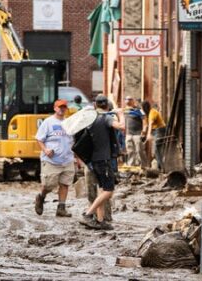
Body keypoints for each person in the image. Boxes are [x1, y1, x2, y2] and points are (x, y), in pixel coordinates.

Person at [82, 95, 123, 230]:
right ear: (107, 106)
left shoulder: (91, 119)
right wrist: (120, 114)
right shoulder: (106, 118)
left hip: (94, 160)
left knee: (101, 189)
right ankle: (88, 215)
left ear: (96, 105)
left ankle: (100, 220)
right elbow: (121, 127)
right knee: (108, 191)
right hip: (103, 160)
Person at [33, 99, 76, 217]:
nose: (62, 109)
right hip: (51, 160)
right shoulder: (48, 122)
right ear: (55, 108)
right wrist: (46, 150)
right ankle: (41, 197)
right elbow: (39, 139)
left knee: (65, 184)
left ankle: (61, 208)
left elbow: (73, 140)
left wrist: (75, 157)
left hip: (67, 159)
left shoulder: (69, 123)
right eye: (59, 107)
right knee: (48, 185)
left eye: (64, 107)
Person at [142, 100, 166, 168]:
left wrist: (149, 134)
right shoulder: (148, 114)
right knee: (156, 149)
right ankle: (160, 166)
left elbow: (150, 124)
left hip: (160, 130)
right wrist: (143, 133)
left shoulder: (152, 112)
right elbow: (146, 125)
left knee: (156, 148)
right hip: (155, 131)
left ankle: (161, 167)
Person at [123, 97, 144, 168]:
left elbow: (145, 120)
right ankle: (131, 165)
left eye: (129, 99)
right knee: (130, 151)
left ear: (133, 101)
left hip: (137, 133)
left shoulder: (139, 110)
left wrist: (144, 130)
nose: (128, 101)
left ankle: (143, 166)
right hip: (128, 134)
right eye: (126, 99)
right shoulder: (124, 110)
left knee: (139, 150)